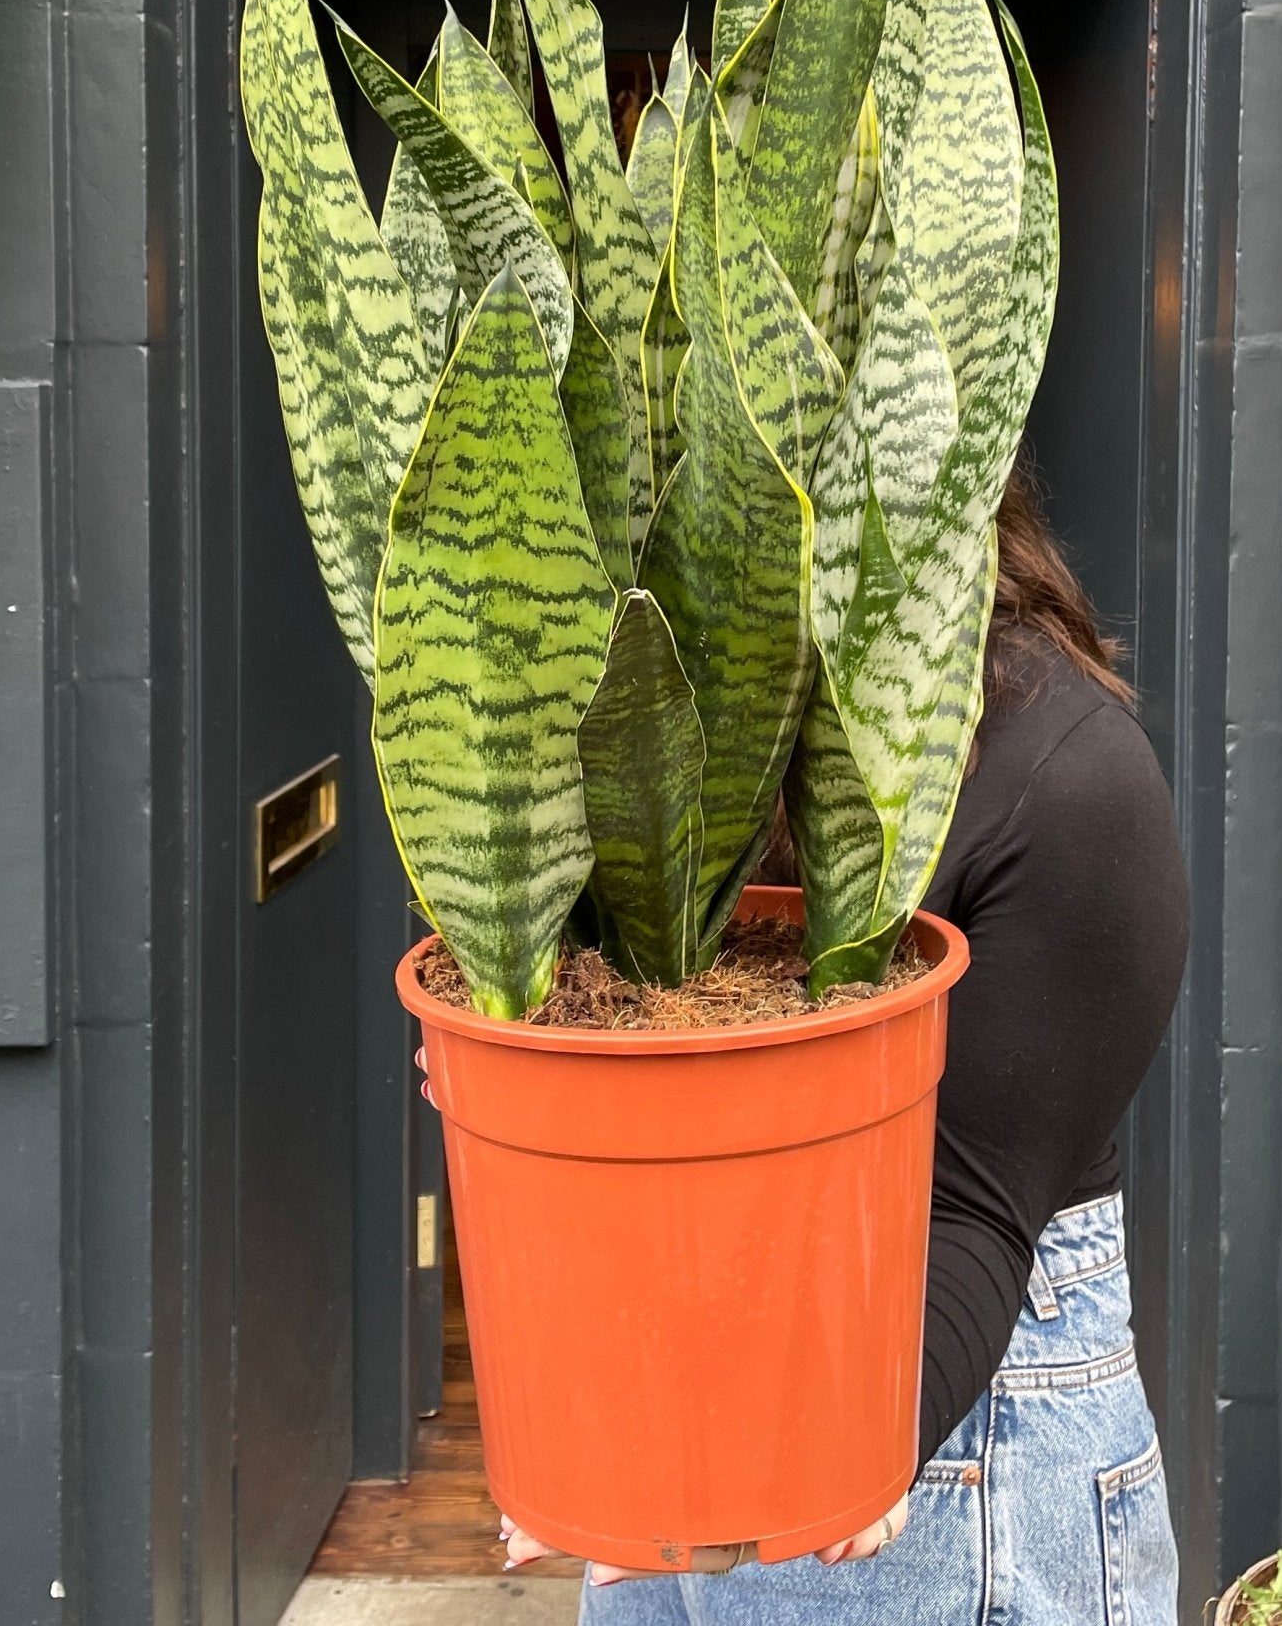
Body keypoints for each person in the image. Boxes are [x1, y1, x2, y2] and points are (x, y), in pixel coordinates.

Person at [508, 464, 1191, 1624]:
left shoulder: (1064, 769)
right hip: (690, 1409)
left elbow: (974, 1206)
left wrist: (819, 1448)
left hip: (940, 1435)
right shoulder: (655, 729)